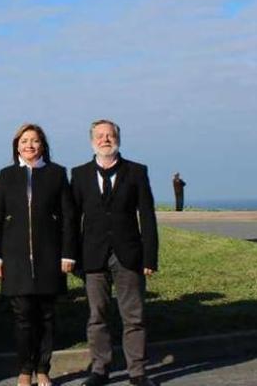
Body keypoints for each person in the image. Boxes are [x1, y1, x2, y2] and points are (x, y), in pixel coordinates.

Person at [72, 120, 159, 386]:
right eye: (100, 135)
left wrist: (149, 257)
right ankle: (100, 369)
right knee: (97, 316)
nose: (105, 139)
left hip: (129, 255)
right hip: (93, 256)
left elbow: (147, 216)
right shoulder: (79, 174)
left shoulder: (136, 172)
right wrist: (72, 256)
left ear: (118, 138)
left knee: (133, 316)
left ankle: (137, 372)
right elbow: (73, 219)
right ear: (92, 141)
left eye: (110, 135)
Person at [0, 124, 78, 386]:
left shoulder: (56, 174)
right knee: (23, 317)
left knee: (47, 317)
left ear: (43, 145)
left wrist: (68, 254)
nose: (29, 145)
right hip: (15, 259)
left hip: (49, 257)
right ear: (17, 145)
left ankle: (43, 368)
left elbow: (69, 218)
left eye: (35, 141)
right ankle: (25, 369)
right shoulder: (7, 175)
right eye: (24, 140)